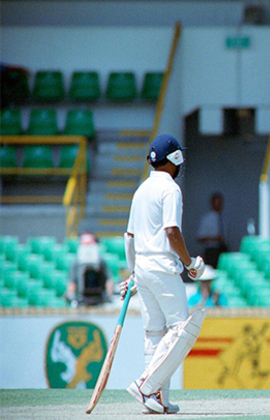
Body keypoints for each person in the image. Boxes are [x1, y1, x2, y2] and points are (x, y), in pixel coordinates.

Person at [122, 134, 206, 414]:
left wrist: (133, 273)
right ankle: (146, 384)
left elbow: (129, 237)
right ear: (174, 159)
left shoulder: (141, 189)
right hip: (162, 265)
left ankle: (157, 399)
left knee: (155, 332)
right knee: (182, 330)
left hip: (143, 267)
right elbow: (171, 231)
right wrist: (190, 262)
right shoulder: (170, 189)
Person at [66, 232, 114, 307]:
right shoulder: (76, 263)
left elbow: (109, 279)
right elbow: (72, 281)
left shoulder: (101, 261)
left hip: (100, 299)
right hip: (81, 299)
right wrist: (71, 295)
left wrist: (109, 295)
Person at [197, 192, 227, 269]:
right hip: (211, 250)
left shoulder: (223, 218)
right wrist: (214, 238)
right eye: (216, 202)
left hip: (222, 249)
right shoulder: (207, 219)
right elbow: (200, 238)